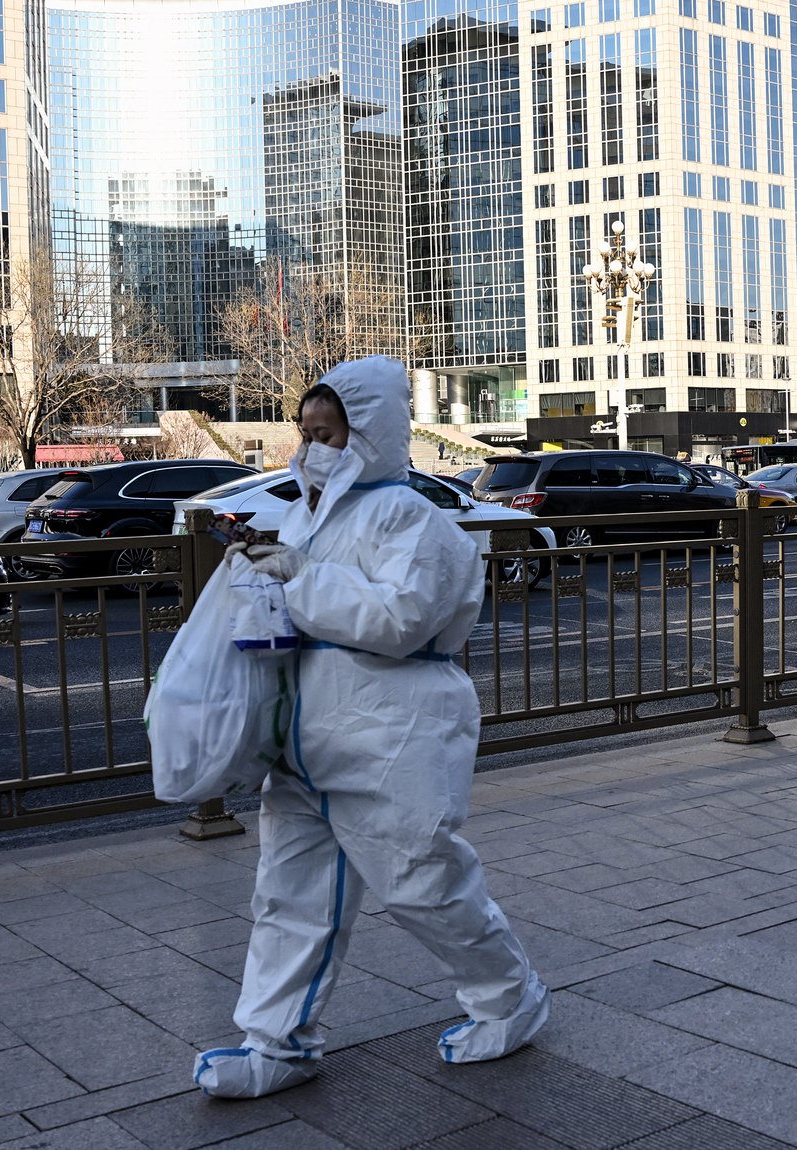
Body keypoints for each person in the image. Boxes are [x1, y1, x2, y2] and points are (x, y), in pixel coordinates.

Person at [194, 357, 548, 1100]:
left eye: (328, 433)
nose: (312, 447)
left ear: (371, 434)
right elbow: (295, 602)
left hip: (392, 741)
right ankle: (276, 1042)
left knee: (427, 886)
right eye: (306, 433)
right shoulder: (305, 514)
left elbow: (400, 622)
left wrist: (295, 576)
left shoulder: (414, 519)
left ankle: (509, 1001)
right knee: (288, 897)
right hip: (306, 747)